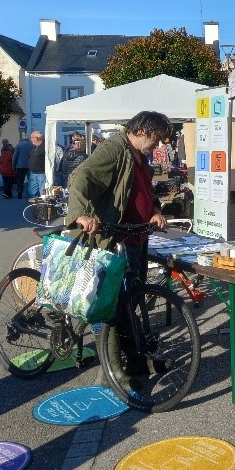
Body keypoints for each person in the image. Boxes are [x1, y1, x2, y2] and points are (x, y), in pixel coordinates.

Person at [67, 111, 170, 381]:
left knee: (129, 304)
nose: (157, 145)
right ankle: (112, 370)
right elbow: (82, 178)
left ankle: (136, 362)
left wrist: (155, 210)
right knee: (112, 307)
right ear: (143, 130)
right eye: (156, 138)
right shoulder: (115, 149)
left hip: (136, 237)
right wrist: (80, 215)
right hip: (115, 239)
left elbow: (146, 193)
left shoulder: (140, 159)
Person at [25, 131, 46, 198]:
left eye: (32, 137)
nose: (30, 139)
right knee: (31, 192)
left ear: (37, 138)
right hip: (33, 172)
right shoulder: (34, 147)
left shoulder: (45, 146)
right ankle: (36, 204)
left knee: (42, 192)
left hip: (41, 173)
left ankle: (41, 206)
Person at [12, 134, 33, 199]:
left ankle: (19, 192)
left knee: (20, 180)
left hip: (20, 166)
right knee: (30, 180)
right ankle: (29, 193)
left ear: (22, 139)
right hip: (30, 165)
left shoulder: (19, 145)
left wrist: (13, 165)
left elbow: (15, 156)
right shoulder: (32, 145)